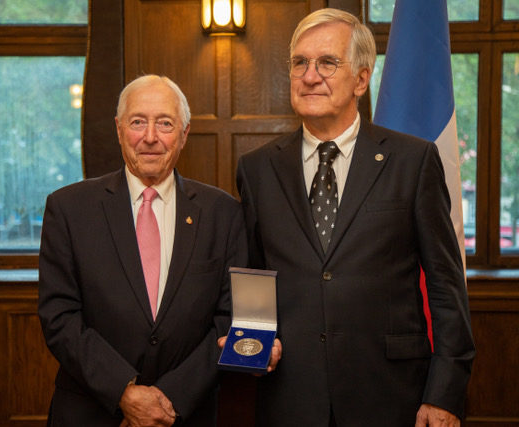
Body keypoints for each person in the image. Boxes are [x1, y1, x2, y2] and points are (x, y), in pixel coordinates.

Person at [235, 8, 475, 427]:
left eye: (327, 62)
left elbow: (445, 286)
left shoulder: (412, 161)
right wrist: (253, 344)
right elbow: (255, 275)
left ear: (361, 80)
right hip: (291, 396)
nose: (310, 76)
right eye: (299, 63)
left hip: (390, 393)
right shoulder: (257, 169)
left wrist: (445, 394)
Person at [38, 74, 247, 426]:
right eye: (138, 122)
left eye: (165, 123)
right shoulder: (68, 209)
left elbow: (230, 319)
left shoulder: (223, 213)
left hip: (187, 413)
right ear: (119, 129)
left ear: (184, 133)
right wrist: (124, 390)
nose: (150, 137)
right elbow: (59, 316)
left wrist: (170, 399)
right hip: (92, 411)